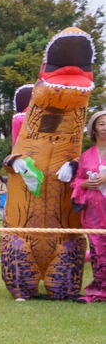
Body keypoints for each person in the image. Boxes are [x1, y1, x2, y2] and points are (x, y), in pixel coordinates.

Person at [72, 110, 106, 302]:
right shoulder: (85, 156)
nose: (105, 127)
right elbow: (77, 181)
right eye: (101, 123)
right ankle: (100, 290)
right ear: (93, 128)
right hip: (94, 212)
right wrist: (85, 184)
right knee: (97, 250)